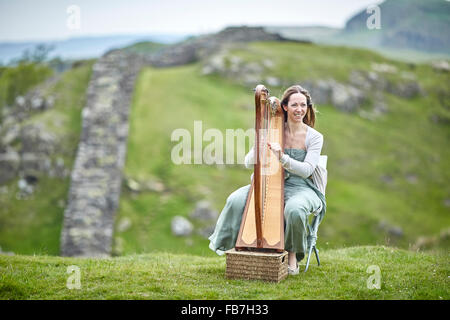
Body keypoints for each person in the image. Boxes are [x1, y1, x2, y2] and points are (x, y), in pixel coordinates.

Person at [208, 85, 326, 275]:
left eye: (303, 105)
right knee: (235, 200)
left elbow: (306, 171)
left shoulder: (314, 137)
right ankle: (237, 252)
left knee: (295, 210)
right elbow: (248, 163)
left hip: (302, 187)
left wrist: (283, 158)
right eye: (294, 105)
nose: (299, 110)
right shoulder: (273, 130)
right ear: (285, 107)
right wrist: (259, 146)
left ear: (307, 107)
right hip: (269, 182)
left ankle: (292, 254)